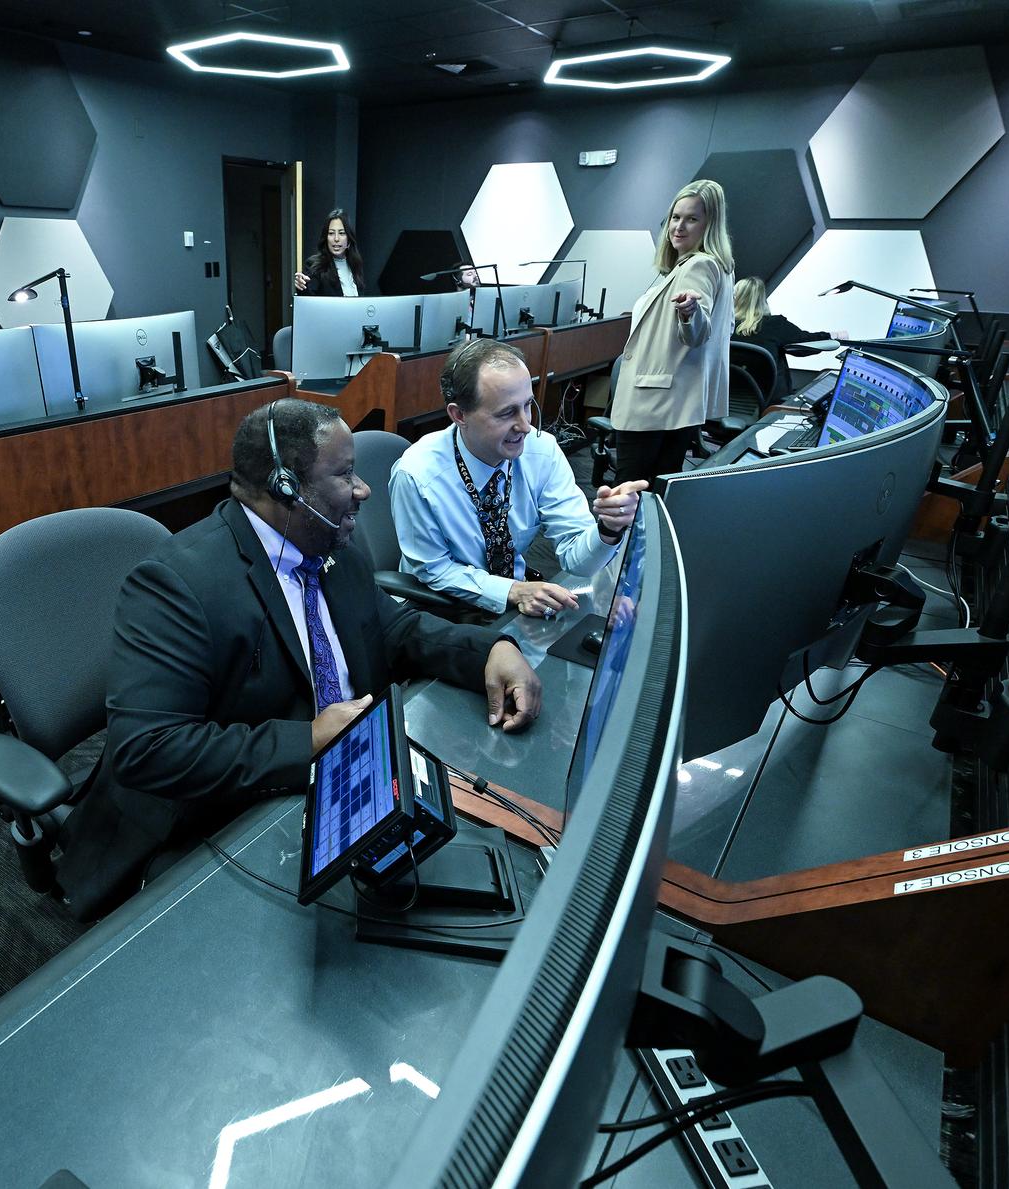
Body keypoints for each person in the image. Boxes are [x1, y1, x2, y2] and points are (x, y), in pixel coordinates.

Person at [54, 398, 541, 919]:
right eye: (345, 473)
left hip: (333, 791)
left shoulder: (332, 546)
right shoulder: (176, 586)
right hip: (215, 819)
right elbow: (147, 749)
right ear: (286, 487)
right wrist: (308, 740)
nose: (363, 489)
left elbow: (395, 630)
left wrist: (491, 649)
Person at [392, 337, 648, 617]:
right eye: (506, 413)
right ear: (459, 415)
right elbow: (435, 571)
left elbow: (577, 558)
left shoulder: (542, 452)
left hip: (513, 600)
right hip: (438, 606)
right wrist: (513, 590)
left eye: (527, 405)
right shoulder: (417, 474)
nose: (526, 426)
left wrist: (608, 530)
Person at [612, 179, 737, 481]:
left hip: (654, 406)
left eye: (692, 219)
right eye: (675, 217)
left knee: (625, 496)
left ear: (710, 225)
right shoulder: (713, 265)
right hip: (674, 406)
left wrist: (690, 313)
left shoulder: (700, 266)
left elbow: (697, 332)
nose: (679, 227)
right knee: (653, 492)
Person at [732, 277, 827, 400]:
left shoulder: (722, 327)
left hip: (725, 404)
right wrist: (831, 336)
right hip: (770, 405)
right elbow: (807, 345)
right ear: (762, 299)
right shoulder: (775, 325)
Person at [293, 209, 372, 296]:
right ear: (326, 237)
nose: (336, 239)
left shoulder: (356, 265)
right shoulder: (314, 264)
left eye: (341, 233)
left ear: (349, 239)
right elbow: (309, 300)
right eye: (331, 233)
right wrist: (302, 287)